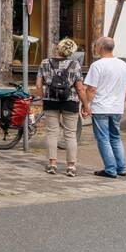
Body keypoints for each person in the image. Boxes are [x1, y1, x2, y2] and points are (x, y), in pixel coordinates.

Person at [81, 35, 126, 179]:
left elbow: (91, 89)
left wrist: (86, 105)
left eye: (96, 45)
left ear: (101, 48)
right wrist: (121, 101)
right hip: (117, 107)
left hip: (101, 107)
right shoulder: (123, 65)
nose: (95, 48)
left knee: (103, 138)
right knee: (115, 137)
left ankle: (110, 169)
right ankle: (121, 168)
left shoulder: (97, 65)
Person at [35, 37, 84, 177]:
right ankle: (71, 167)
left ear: (58, 48)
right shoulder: (75, 64)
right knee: (70, 134)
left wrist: (42, 99)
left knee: (52, 133)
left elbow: (39, 85)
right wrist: (86, 105)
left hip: (51, 100)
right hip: (70, 101)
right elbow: (80, 88)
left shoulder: (45, 62)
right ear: (71, 51)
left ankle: (52, 164)